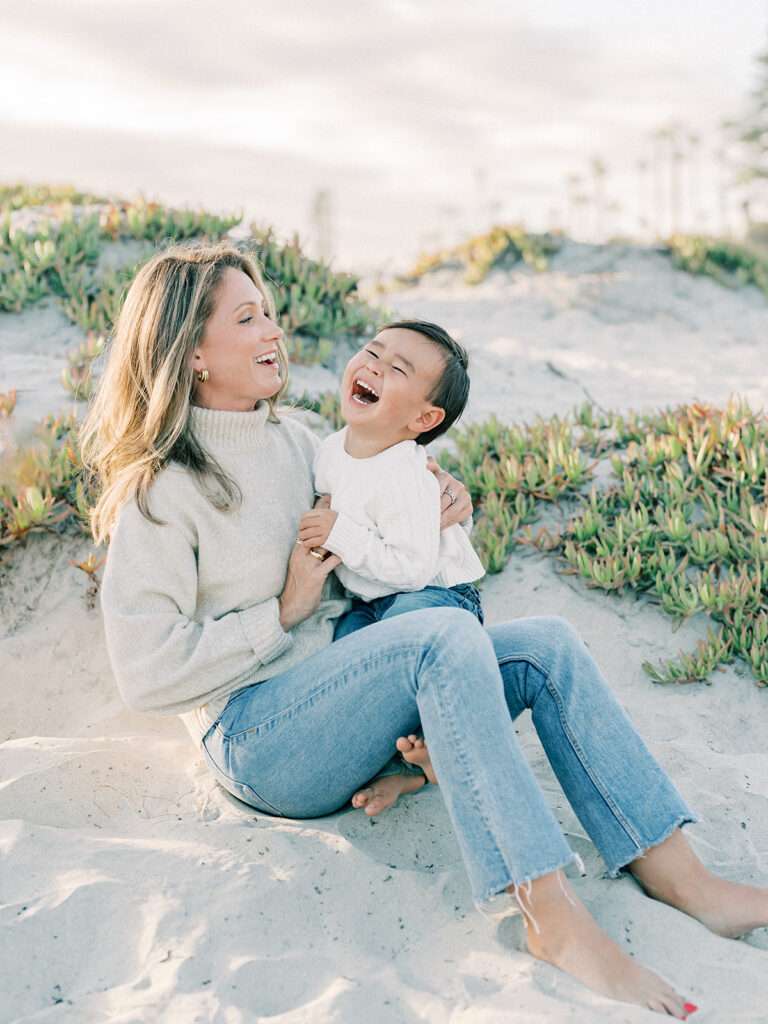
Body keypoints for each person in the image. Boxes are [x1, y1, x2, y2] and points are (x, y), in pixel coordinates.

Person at [83, 240, 768, 1020]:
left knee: (547, 644)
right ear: (192, 353)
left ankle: (683, 878)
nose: (274, 330)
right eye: (247, 319)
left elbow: (384, 476)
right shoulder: (159, 492)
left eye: (269, 311)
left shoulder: (300, 439)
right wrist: (280, 614)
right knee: (443, 641)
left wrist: (445, 496)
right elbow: (144, 673)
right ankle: (550, 916)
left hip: (354, 686)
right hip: (262, 740)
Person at [297, 318, 485, 812]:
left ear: (424, 420)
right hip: (371, 596)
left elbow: (413, 570)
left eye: (397, 368)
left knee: (407, 639)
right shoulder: (331, 449)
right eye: (372, 352)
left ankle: (435, 747)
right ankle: (401, 770)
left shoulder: (406, 472)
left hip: (432, 594)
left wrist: (341, 533)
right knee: (348, 658)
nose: (373, 368)